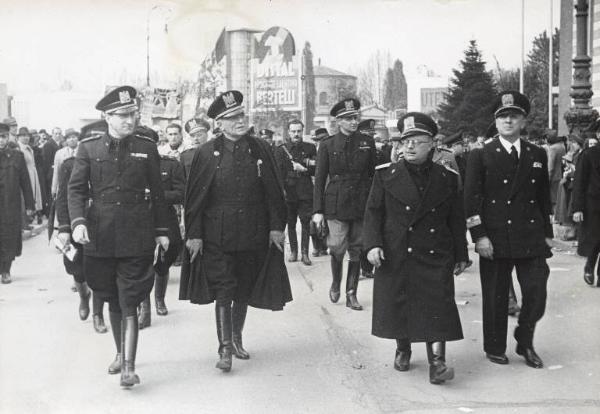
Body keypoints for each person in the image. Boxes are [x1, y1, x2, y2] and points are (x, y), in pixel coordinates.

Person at [68, 85, 170, 388]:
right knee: (111, 297)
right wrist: (77, 223)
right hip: (100, 235)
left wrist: (162, 231)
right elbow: (75, 190)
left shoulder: (146, 147)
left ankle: (128, 366)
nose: (130, 120)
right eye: (123, 115)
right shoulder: (89, 147)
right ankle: (119, 352)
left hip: (137, 234)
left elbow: (159, 195)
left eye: (133, 114)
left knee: (130, 298)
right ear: (107, 117)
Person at [180, 90, 288, 373]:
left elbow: (275, 192)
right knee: (224, 289)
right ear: (219, 124)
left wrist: (277, 227)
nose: (239, 121)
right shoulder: (206, 153)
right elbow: (195, 198)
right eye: (231, 117)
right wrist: (194, 234)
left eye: (240, 115)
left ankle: (237, 337)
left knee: (243, 287)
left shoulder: (260, 148)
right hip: (218, 233)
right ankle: (225, 348)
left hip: (253, 231)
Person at [364, 112, 469, 385]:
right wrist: (373, 244)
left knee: (437, 305)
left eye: (416, 141)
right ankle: (403, 347)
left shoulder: (446, 177)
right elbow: (373, 213)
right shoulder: (386, 175)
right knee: (401, 302)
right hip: (397, 249)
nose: (408, 146)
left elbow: (455, 218)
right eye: (405, 141)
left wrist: (461, 254)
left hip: (434, 251)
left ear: (432, 144)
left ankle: (438, 363)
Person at [464, 90, 553, 369]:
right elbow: (470, 200)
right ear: (496, 121)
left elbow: (542, 198)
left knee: (536, 293)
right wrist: (479, 237)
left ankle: (524, 338)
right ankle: (494, 347)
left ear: (523, 121)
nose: (508, 121)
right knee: (495, 296)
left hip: (530, 235)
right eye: (503, 116)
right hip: (495, 236)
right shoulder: (481, 154)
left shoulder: (537, 154)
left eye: (514, 116)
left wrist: (547, 233)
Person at [313, 98, 376, 311]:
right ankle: (335, 281)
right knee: (337, 247)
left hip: (360, 202)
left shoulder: (367, 142)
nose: (353, 122)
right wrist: (318, 211)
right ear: (338, 121)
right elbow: (320, 179)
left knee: (357, 248)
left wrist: (374, 205)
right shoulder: (328, 145)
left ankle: (351, 293)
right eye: (348, 119)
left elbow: (373, 175)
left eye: (355, 117)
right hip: (336, 203)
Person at [54, 128, 107, 333]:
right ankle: (84, 296)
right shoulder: (69, 165)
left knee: (100, 271)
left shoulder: (109, 163)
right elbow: (62, 198)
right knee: (75, 267)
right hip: (76, 225)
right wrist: (64, 228)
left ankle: (97, 313)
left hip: (101, 225)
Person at [136, 126, 185, 328]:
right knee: (140, 263)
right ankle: (144, 309)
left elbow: (181, 193)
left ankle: (160, 298)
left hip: (164, 217)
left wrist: (155, 196)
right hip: (138, 220)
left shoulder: (170, 164)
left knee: (165, 258)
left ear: (155, 144)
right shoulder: (129, 166)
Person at [0, 123, 34, 284]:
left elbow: (25, 183)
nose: (1, 139)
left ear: (8, 137)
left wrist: (29, 206)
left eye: (4, 136)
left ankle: (6, 270)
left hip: (10, 206)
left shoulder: (16, 156)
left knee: (9, 238)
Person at [279, 119, 317, 266]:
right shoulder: (281, 149)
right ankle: (294, 252)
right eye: (293, 131)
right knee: (291, 223)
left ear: (302, 131)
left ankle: (305, 253)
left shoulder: (310, 148)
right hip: (289, 193)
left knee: (306, 223)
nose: (296, 134)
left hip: (305, 191)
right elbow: (279, 172)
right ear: (288, 132)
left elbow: (317, 168)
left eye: (299, 131)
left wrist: (305, 169)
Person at [572, 133, 600, 286]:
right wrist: (578, 208)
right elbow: (579, 182)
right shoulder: (589, 154)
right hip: (593, 205)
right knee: (595, 239)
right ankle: (589, 266)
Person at [16, 127, 44, 227]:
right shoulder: (18, 148)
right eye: (23, 135)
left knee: (34, 194)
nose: (25, 138)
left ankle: (33, 215)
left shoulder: (29, 148)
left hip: (33, 174)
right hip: (25, 174)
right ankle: (26, 219)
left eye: (27, 135)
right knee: (26, 195)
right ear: (18, 137)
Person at [309, 128, 329, 257]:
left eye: (322, 140)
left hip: (327, 187)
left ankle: (323, 246)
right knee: (313, 220)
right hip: (311, 189)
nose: (320, 143)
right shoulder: (312, 152)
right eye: (318, 140)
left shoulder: (330, 150)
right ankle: (316, 246)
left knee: (326, 220)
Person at [51, 128, 80, 197]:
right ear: (66, 140)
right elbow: (56, 172)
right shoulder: (59, 153)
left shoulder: (83, 152)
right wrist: (54, 189)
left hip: (79, 188)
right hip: (64, 188)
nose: (72, 139)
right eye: (69, 138)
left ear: (77, 138)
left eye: (74, 137)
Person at [546, 130, 566, 214]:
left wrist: (548, 178)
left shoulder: (553, 148)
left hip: (554, 176)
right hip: (561, 175)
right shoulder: (562, 146)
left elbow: (551, 166)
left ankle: (555, 216)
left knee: (553, 198)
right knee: (559, 197)